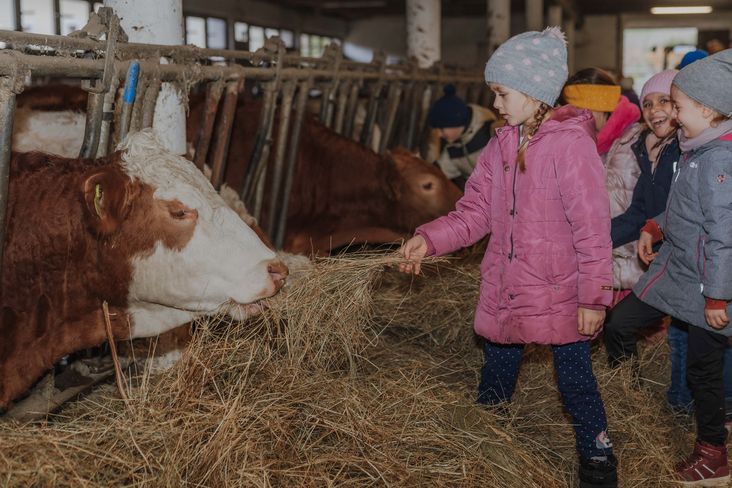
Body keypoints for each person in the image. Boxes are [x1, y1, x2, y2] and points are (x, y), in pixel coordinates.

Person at [399, 27, 617, 488]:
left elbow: (593, 230)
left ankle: (598, 462)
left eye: (501, 93)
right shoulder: (501, 144)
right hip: (508, 283)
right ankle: (485, 443)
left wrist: (593, 299)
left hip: (562, 289)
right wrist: (430, 239)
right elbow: (475, 211)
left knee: (576, 382)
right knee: (496, 368)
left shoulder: (570, 147)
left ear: (535, 92)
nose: (495, 104)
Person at [609, 49, 732, 485]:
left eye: (678, 107)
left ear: (707, 110)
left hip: (708, 284)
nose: (673, 116)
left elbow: (724, 236)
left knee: (703, 368)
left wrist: (719, 297)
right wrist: (652, 226)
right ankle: (627, 397)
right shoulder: (696, 149)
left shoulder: (719, 160)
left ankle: (713, 453)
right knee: (621, 322)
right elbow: (685, 210)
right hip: (680, 269)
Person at [427, 84, 497, 190]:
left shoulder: (492, 132)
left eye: (441, 129)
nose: (439, 135)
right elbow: (436, 175)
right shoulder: (452, 151)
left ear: (456, 123)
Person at [560, 68, 640, 160]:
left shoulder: (629, 140)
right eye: (573, 113)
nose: (578, 118)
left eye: (586, 110)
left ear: (605, 106)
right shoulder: (576, 137)